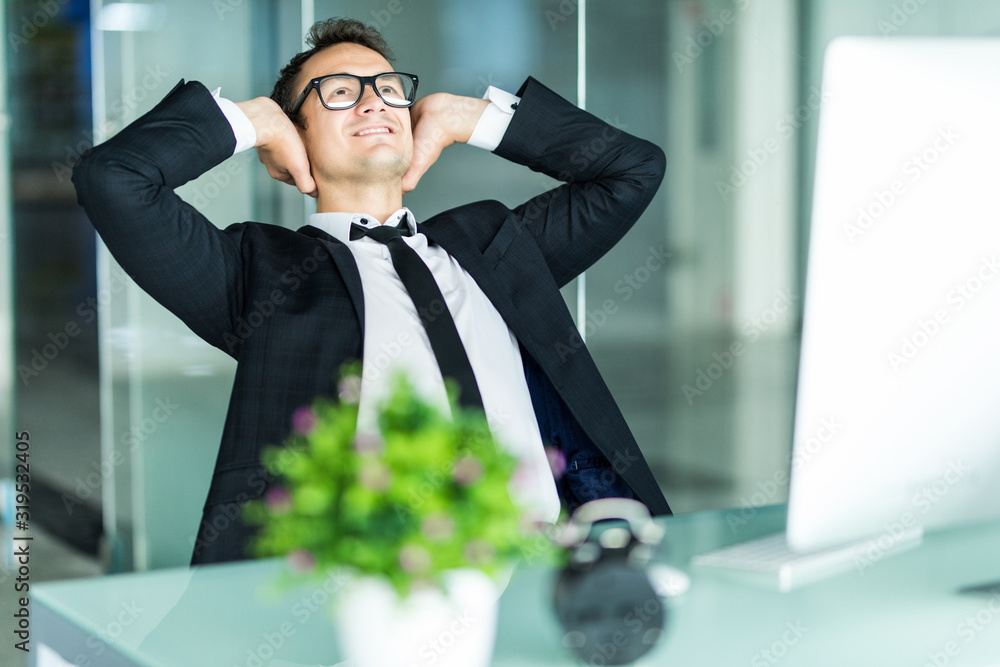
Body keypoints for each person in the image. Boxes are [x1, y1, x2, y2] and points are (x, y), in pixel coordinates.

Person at [73, 17, 671, 566]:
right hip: (372, 590)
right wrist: (248, 121)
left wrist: (470, 116)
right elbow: (114, 179)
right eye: (338, 91)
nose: (372, 101)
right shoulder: (261, 274)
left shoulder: (493, 244)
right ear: (294, 138)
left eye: (388, 88)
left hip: (542, 564)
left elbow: (631, 170)